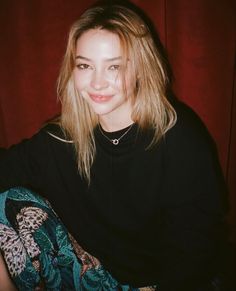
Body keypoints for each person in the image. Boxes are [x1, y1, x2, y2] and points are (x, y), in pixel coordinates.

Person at [0, 1, 228, 290]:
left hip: (159, 282)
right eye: (84, 65)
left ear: (140, 69)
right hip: (94, 271)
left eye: (114, 67)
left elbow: (197, 248)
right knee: (4, 201)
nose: (96, 83)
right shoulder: (63, 138)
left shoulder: (179, 136)